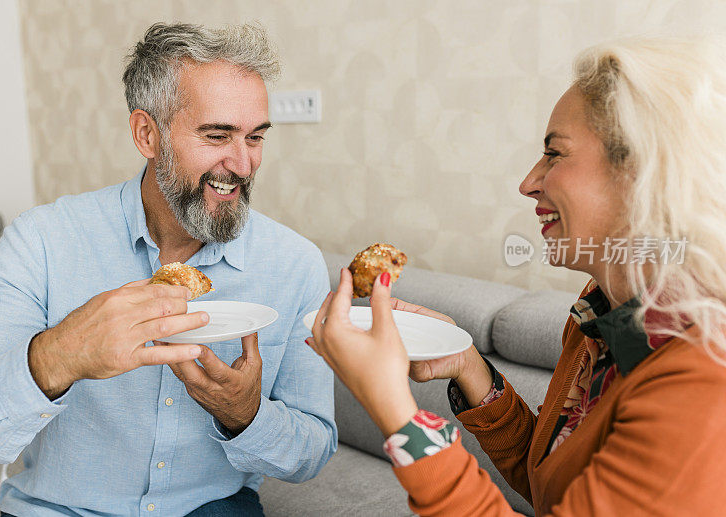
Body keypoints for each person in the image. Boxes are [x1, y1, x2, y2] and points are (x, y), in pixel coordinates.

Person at [0, 22, 337, 516]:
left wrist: (246, 415)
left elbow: (313, 452)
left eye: (255, 137)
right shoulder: (42, 241)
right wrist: (59, 356)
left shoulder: (295, 265)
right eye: (216, 135)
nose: (244, 165)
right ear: (146, 134)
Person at [308, 36, 726, 516]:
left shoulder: (703, 381)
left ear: (641, 171)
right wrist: (467, 363)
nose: (528, 182)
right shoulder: (603, 310)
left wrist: (395, 412)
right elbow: (548, 480)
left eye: (554, 154)